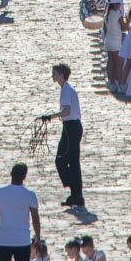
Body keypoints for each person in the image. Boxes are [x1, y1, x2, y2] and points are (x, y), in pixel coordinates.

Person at [43, 63, 83, 208]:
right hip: (71, 127)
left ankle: (74, 190)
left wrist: (50, 117)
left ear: (61, 74)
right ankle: (76, 194)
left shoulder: (66, 90)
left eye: (54, 73)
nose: (52, 76)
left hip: (71, 127)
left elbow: (66, 111)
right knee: (72, 161)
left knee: (61, 160)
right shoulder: (66, 89)